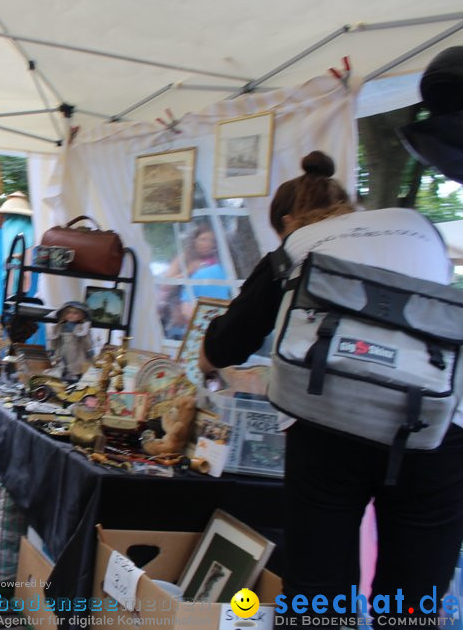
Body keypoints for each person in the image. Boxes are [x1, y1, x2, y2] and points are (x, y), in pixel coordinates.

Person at [198, 151, 462, 622]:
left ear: (285, 221)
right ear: (348, 204)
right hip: (436, 424)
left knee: (319, 590)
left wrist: (206, 362)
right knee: (413, 598)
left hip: (330, 423)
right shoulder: (416, 225)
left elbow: (225, 345)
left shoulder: (295, 248)